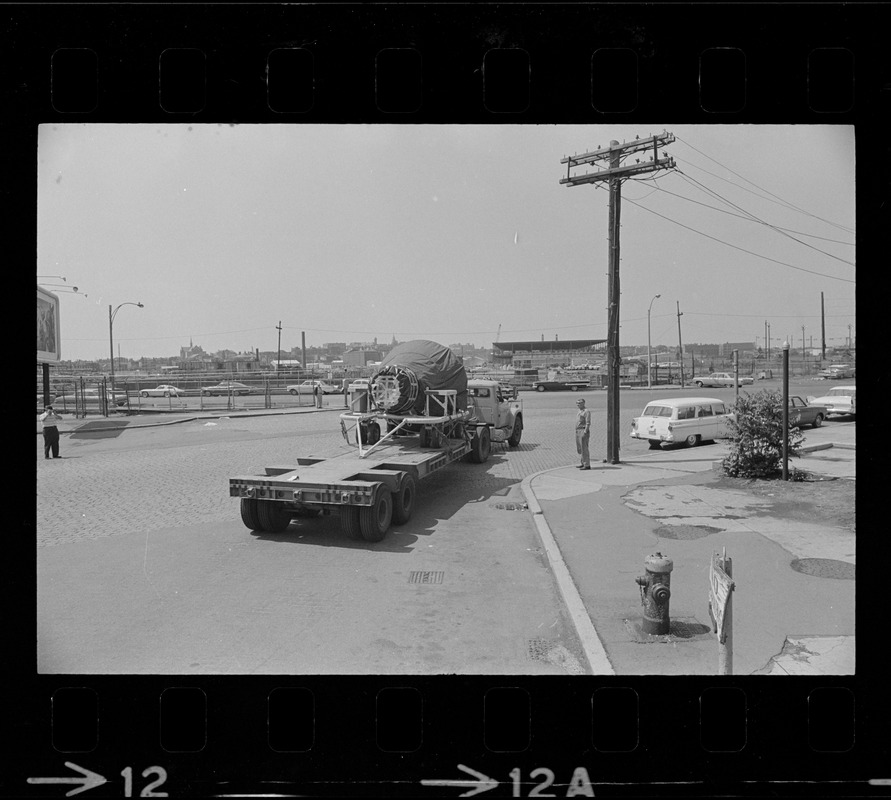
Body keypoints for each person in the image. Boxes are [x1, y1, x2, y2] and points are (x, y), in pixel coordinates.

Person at [575, 397, 591, 469]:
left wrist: (585, 431)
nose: (578, 404)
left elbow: (588, 423)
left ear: (583, 403)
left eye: (579, 403)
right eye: (577, 403)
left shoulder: (586, 411)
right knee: (580, 448)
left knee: (584, 448)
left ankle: (587, 464)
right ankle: (582, 462)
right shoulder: (579, 411)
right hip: (578, 430)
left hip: (583, 430)